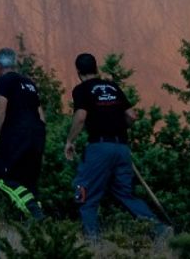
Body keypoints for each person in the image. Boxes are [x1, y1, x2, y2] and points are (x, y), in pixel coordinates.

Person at [63, 52, 167, 240]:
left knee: (86, 195)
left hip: (99, 148)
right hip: (121, 148)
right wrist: (118, 128)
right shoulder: (113, 87)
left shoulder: (82, 89)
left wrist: (70, 141)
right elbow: (132, 116)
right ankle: (160, 230)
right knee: (126, 194)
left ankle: (92, 243)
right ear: (96, 68)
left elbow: (80, 117)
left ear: (79, 72)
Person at [0, 47, 46, 220]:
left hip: (17, 134)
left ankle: (34, 212)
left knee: (2, 175)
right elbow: (41, 115)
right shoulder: (30, 83)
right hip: (37, 135)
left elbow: (0, 111)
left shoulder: (5, 81)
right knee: (28, 181)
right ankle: (35, 224)